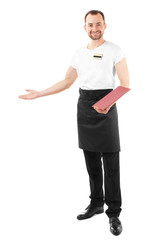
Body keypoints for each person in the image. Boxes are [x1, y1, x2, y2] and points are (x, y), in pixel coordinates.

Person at [18, 10, 130, 236]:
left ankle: (114, 213)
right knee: (90, 161)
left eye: (98, 24)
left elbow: (125, 83)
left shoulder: (115, 50)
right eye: (90, 25)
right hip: (85, 107)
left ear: (105, 26)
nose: (94, 28)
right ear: (85, 27)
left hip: (106, 106)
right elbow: (67, 81)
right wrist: (40, 93)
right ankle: (96, 203)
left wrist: (107, 103)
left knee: (110, 164)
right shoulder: (78, 54)